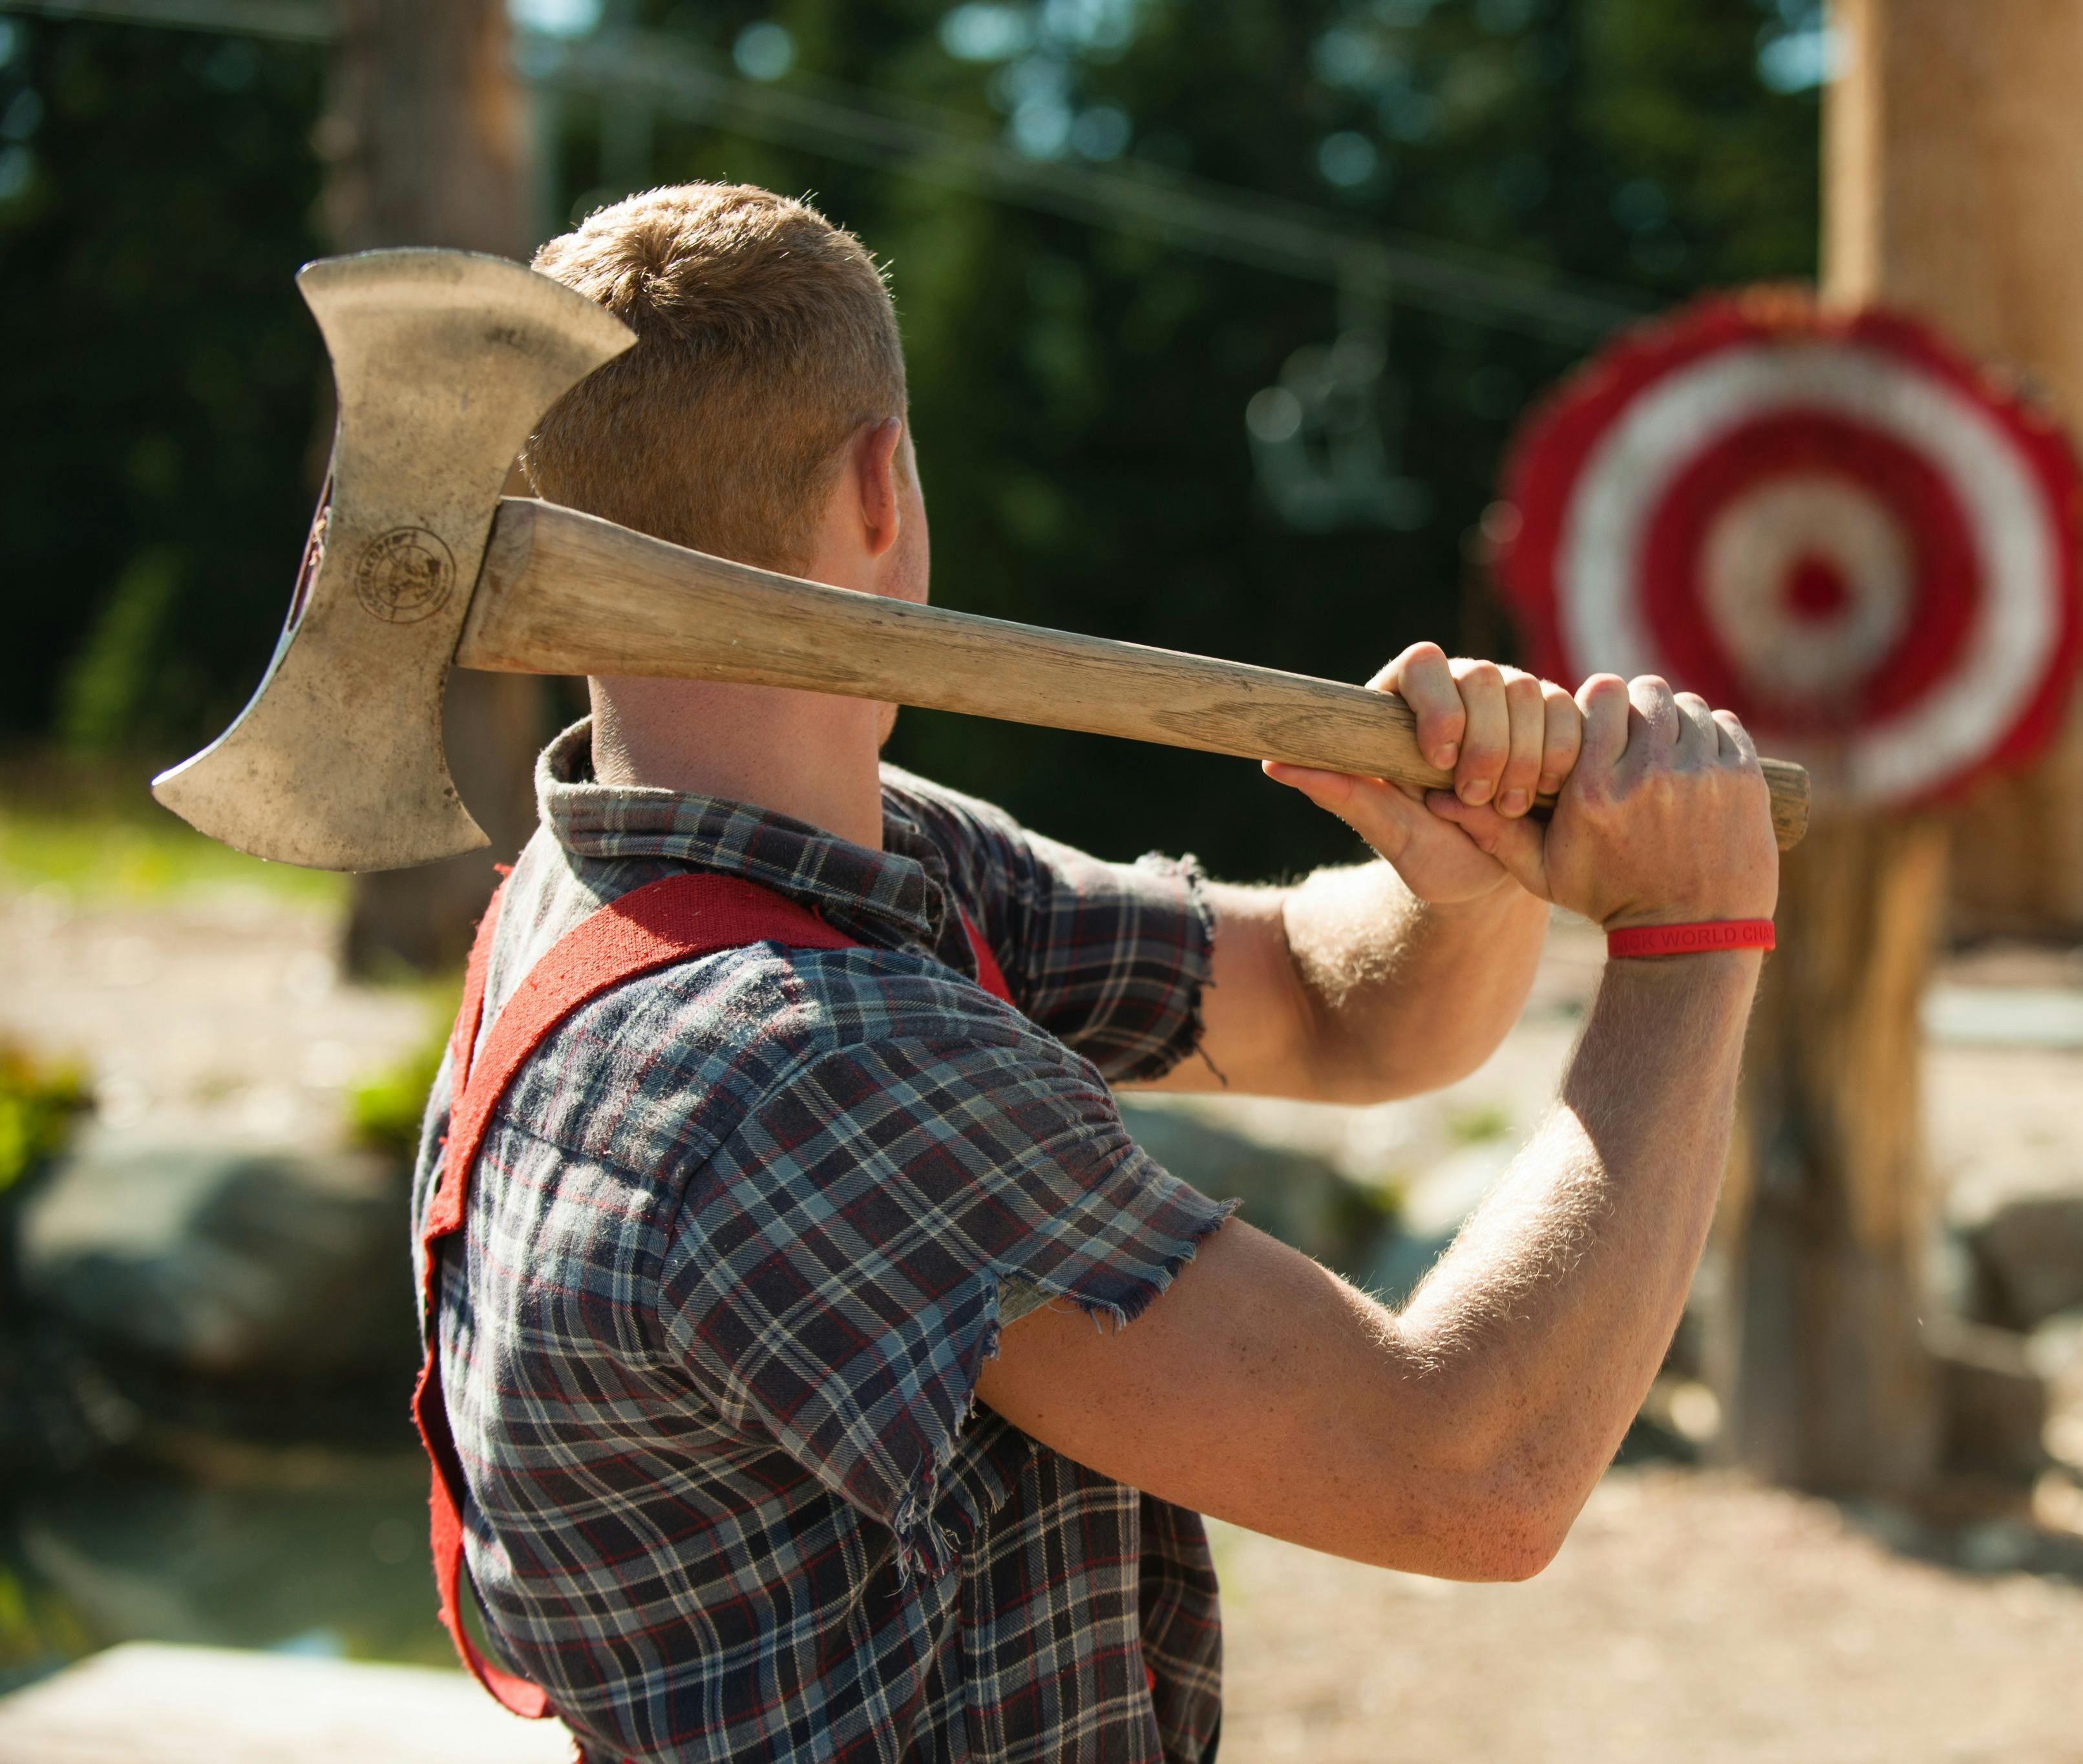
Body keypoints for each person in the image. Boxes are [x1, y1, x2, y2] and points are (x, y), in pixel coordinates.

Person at [415, 182, 1779, 1764]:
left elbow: (1344, 1022)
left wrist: (1461, 875)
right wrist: (1688, 946)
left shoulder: (708, 875)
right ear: (882, 487)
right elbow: (1470, 1474)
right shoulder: (815, 1059)